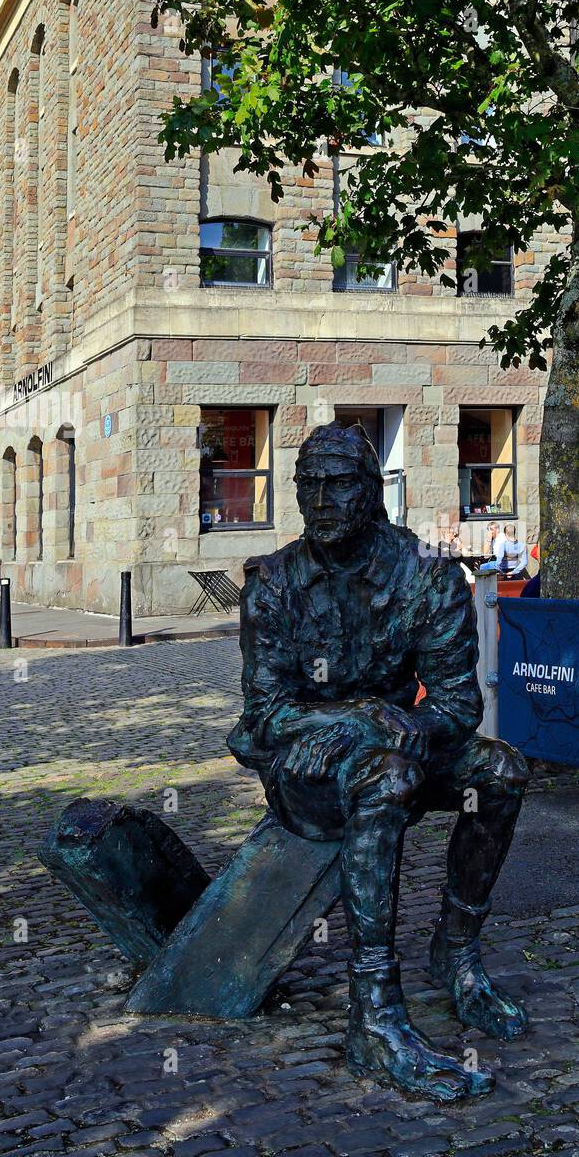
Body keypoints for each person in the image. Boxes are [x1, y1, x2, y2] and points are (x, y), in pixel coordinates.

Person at [227, 422, 528, 1102]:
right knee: (383, 776)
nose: (324, 500)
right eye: (310, 486)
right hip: (306, 773)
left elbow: (456, 709)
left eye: (340, 485)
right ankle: (374, 1012)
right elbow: (265, 714)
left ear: (374, 493)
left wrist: (397, 727)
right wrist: (359, 721)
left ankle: (455, 953)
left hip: (407, 752)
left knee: (502, 771)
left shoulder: (425, 575)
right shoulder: (272, 585)